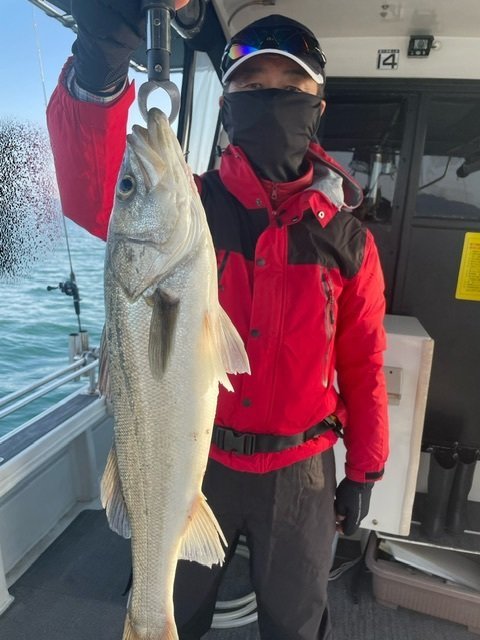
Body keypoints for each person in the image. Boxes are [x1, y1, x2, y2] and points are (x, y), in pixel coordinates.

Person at [47, 3, 389, 638]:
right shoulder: (193, 205)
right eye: (252, 86)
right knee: (176, 610)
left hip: (303, 472)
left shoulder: (348, 241)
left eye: (289, 86)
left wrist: (364, 470)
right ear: (228, 107)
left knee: (296, 626)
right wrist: (100, 60)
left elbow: (364, 362)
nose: (271, 98)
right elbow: (95, 195)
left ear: (317, 107)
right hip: (199, 459)